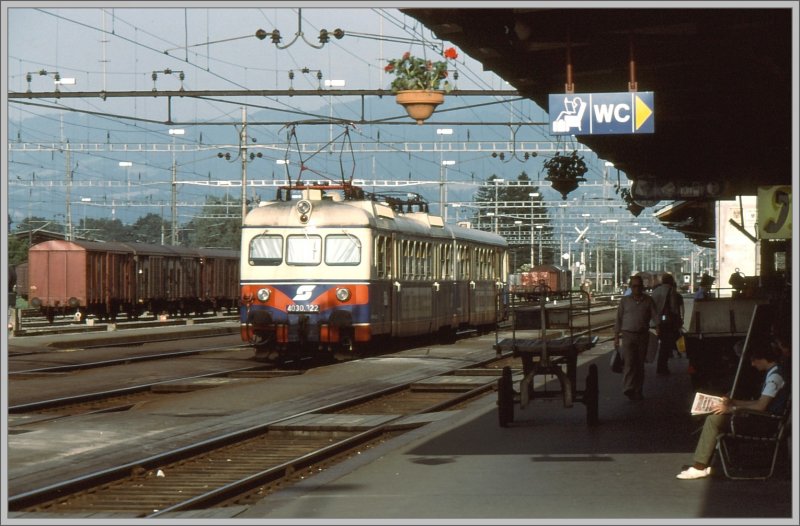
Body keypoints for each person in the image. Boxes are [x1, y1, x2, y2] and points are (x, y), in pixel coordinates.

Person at [676, 341, 789, 479]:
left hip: (766, 423)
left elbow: (761, 406)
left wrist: (732, 409)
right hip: (766, 419)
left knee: (714, 420)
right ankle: (704, 462)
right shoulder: (775, 373)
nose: (752, 364)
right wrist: (734, 402)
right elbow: (760, 402)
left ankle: (700, 466)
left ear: (763, 359)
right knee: (717, 417)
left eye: (754, 360)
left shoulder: (774, 378)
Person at [614, 274, 659, 401]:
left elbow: (655, 315)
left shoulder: (648, 300)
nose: (637, 289)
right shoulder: (624, 301)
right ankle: (628, 388)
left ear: (643, 287)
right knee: (629, 362)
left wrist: (658, 327)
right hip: (628, 335)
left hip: (642, 335)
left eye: (639, 286)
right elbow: (618, 318)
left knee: (639, 364)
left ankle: (638, 390)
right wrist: (616, 336)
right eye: (634, 286)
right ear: (630, 287)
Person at [650, 273, 684, 375]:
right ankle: (662, 368)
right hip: (666, 322)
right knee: (665, 345)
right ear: (671, 281)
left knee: (662, 344)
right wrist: (678, 321)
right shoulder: (671, 290)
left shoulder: (655, 291)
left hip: (656, 321)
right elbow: (674, 308)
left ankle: (661, 366)